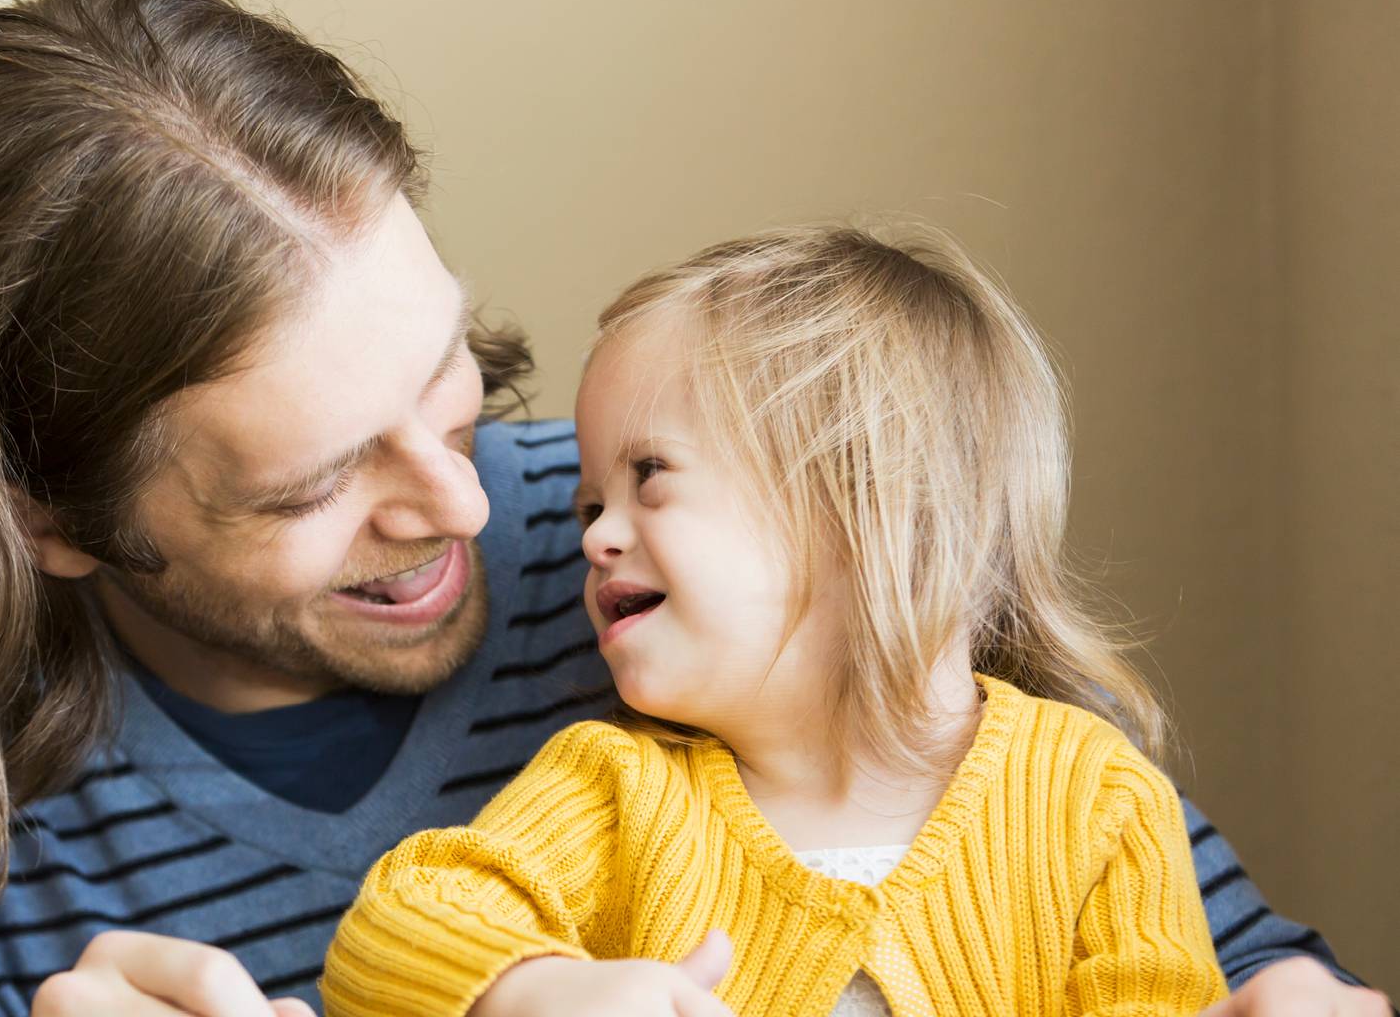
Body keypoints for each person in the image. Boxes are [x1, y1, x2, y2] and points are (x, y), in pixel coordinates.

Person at [0, 0, 1381, 1015]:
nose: (463, 506)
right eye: (322, 480)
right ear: (42, 511)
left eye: (445, 376)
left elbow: (1171, 935)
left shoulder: (705, 566)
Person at [323, 225, 1232, 1016]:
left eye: (649, 477)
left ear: (868, 502)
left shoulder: (1096, 798)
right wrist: (529, 989)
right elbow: (396, 924)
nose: (598, 538)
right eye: (589, 505)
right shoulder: (612, 790)